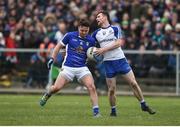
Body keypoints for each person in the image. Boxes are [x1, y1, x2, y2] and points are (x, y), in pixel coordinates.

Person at [92, 10, 156, 116]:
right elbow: (90, 45)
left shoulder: (115, 29)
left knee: (133, 83)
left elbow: (118, 43)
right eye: (96, 17)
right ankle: (113, 111)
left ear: (105, 17)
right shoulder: (96, 33)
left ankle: (143, 104)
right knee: (111, 90)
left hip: (120, 60)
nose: (96, 18)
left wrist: (103, 50)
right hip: (108, 63)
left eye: (98, 16)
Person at [39, 19, 100, 117]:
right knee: (56, 88)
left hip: (82, 68)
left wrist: (96, 56)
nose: (84, 32)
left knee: (91, 87)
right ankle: (47, 94)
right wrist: (52, 59)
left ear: (88, 30)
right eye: (82, 30)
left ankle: (96, 112)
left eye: (86, 31)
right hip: (68, 67)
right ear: (78, 28)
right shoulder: (69, 35)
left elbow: (92, 53)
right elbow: (58, 47)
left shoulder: (91, 40)